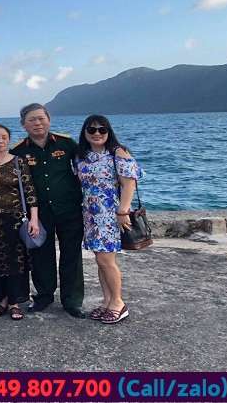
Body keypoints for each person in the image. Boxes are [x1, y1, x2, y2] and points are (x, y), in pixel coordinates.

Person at [10, 103, 85, 318]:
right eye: (31, 119)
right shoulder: (18, 151)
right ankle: (44, 296)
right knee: (41, 255)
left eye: (41, 118)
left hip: (69, 208)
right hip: (39, 213)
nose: (37, 123)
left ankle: (71, 300)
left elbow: (88, 163)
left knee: (72, 255)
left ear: (49, 120)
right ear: (23, 124)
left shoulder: (66, 143)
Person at [75, 115, 143, 324]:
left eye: (102, 129)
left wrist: (122, 212)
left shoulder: (117, 152)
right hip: (90, 215)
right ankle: (107, 301)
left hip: (109, 214)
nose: (97, 133)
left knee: (107, 260)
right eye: (92, 129)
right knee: (100, 260)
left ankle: (118, 303)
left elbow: (129, 183)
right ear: (85, 132)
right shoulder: (81, 156)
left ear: (108, 132)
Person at [0, 125, 39, 321]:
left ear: (9, 140)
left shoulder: (18, 162)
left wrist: (34, 219)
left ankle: (14, 302)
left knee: (16, 262)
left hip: (16, 220)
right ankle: (0, 300)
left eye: (4, 137)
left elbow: (30, 192)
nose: (0, 140)